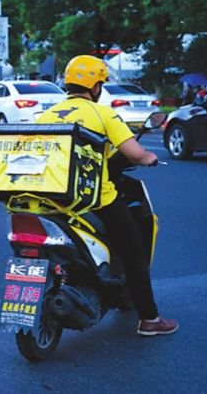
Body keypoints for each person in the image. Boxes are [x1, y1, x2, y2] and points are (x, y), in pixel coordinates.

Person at [36, 55, 178, 337]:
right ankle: (149, 318)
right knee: (134, 251)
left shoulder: (47, 115)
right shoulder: (101, 114)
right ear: (95, 85)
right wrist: (148, 157)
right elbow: (134, 153)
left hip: (52, 198)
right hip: (95, 199)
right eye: (101, 82)